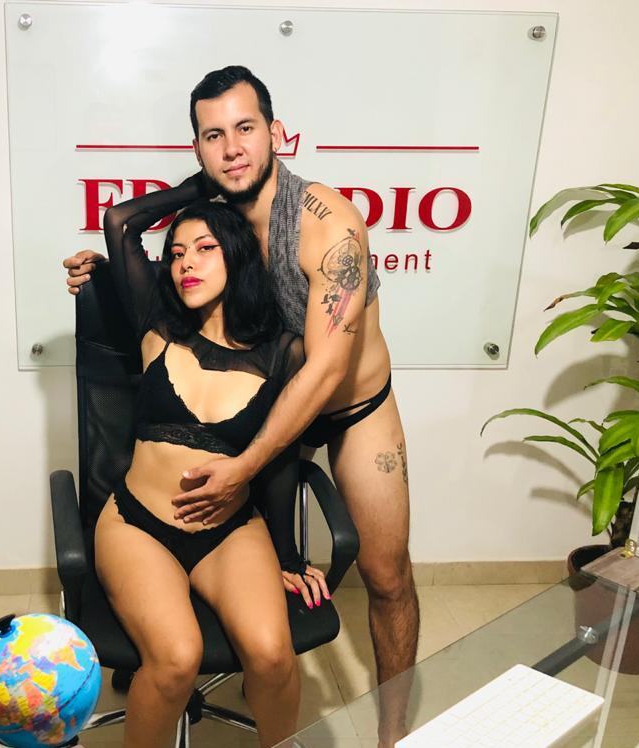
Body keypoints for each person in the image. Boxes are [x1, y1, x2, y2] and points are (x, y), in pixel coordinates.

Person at [65, 66, 418, 748]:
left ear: (277, 133)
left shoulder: (326, 224)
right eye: (213, 137)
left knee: (385, 573)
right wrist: (104, 276)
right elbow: (182, 287)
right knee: (196, 614)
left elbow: (324, 369)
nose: (232, 149)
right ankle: (154, 637)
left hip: (345, 402)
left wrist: (250, 468)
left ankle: (394, 735)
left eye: (246, 129)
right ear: (196, 148)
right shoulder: (221, 225)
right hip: (258, 403)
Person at [94, 178, 311, 748]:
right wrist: (203, 189)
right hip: (139, 527)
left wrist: (288, 554)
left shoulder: (283, 351)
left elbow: (281, 456)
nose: (185, 263)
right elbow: (120, 223)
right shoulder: (157, 325)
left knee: (273, 656)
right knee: (176, 660)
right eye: (176, 253)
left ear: (237, 256)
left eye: (205, 248)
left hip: (229, 531)